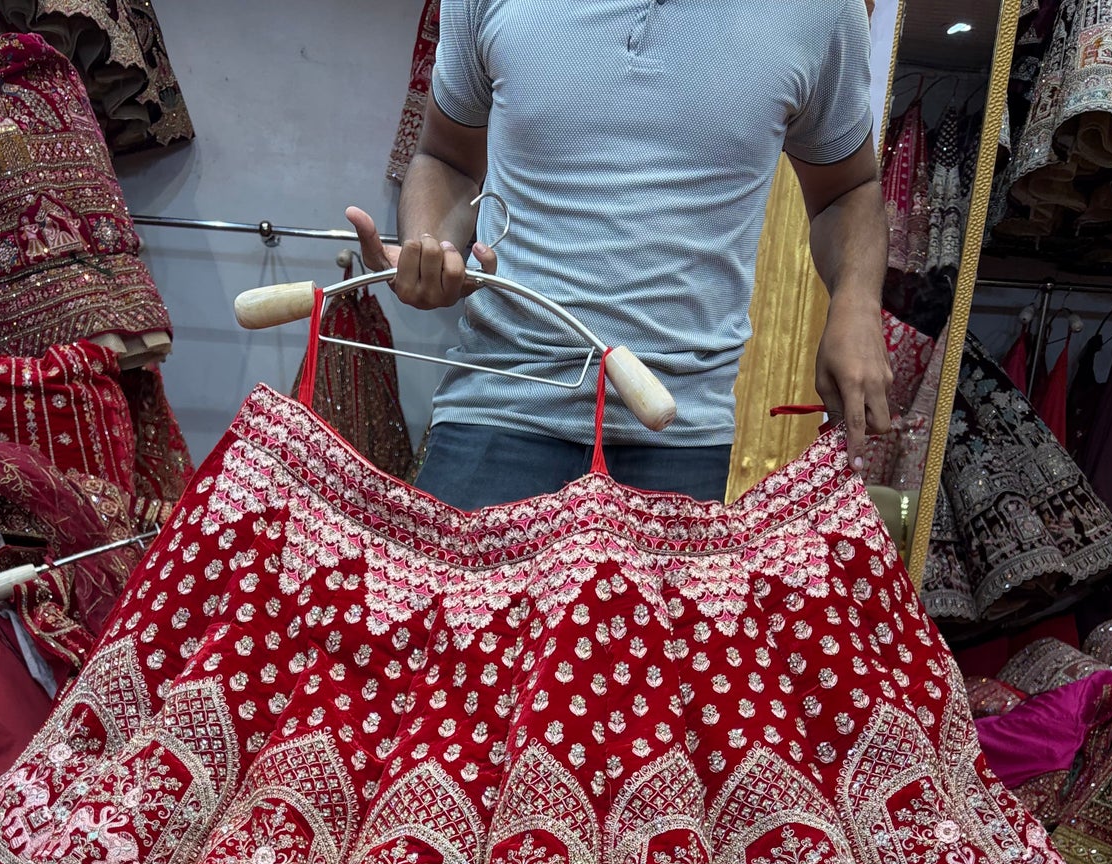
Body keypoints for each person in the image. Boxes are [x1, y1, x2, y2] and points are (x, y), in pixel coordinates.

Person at [348, 0, 891, 509]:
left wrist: (858, 308)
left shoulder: (822, 9)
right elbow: (446, 157)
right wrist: (432, 245)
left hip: (677, 435)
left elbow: (848, 190)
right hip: (496, 409)